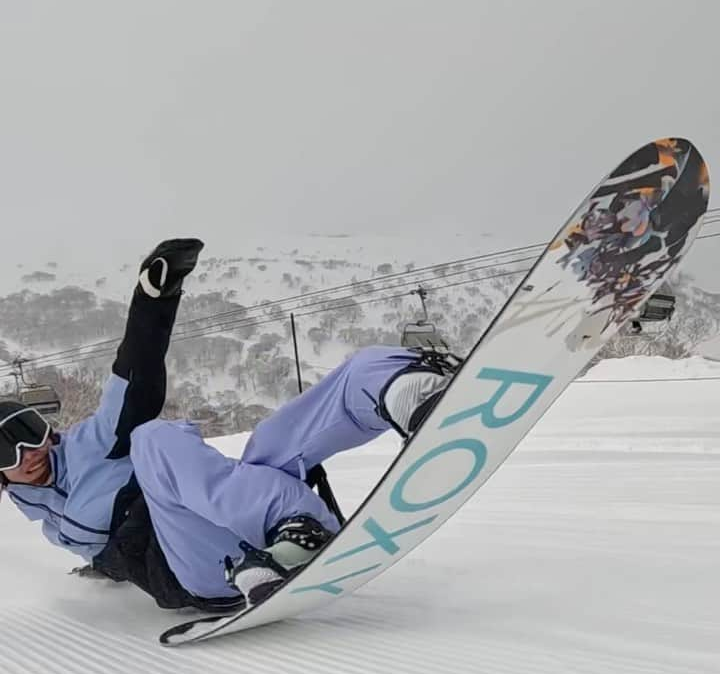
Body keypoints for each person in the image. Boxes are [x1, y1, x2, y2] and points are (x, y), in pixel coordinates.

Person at [0, 238, 457, 611]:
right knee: (161, 444)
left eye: (29, 430)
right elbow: (101, 548)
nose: (30, 451)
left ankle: (398, 387)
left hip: (249, 529)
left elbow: (133, 377)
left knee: (249, 440)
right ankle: (294, 533)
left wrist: (152, 301)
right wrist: (100, 567)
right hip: (199, 570)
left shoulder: (90, 446)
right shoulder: (45, 518)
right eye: (9, 450)